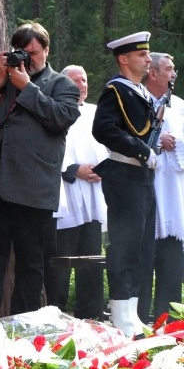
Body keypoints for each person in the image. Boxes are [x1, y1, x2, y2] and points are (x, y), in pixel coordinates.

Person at [0, 22, 80, 325]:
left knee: (30, 262)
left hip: (32, 189)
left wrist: (27, 87)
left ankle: (22, 327)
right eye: (21, 53)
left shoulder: (61, 84)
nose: (28, 59)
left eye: (34, 53)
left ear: (47, 51)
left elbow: (61, 118)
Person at [92, 31, 157, 339]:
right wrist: (141, 149)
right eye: (142, 55)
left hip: (142, 177)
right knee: (125, 245)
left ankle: (131, 313)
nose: (148, 59)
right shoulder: (116, 90)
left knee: (141, 247)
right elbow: (102, 128)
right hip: (124, 174)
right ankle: (120, 313)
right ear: (124, 58)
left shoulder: (139, 92)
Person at [43, 65, 107, 320]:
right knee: (60, 260)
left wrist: (104, 168)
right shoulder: (54, 111)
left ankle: (91, 314)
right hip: (66, 196)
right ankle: (55, 314)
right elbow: (47, 151)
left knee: (92, 260)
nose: (81, 85)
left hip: (93, 195)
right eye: (75, 80)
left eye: (85, 79)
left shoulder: (96, 113)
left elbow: (108, 144)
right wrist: (72, 169)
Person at [137, 52, 183, 324]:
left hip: (173, 199)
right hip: (143, 196)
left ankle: (170, 327)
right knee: (141, 268)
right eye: (168, 69)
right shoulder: (136, 100)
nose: (173, 73)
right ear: (152, 73)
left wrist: (174, 141)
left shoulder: (179, 106)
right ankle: (139, 324)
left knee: (171, 267)